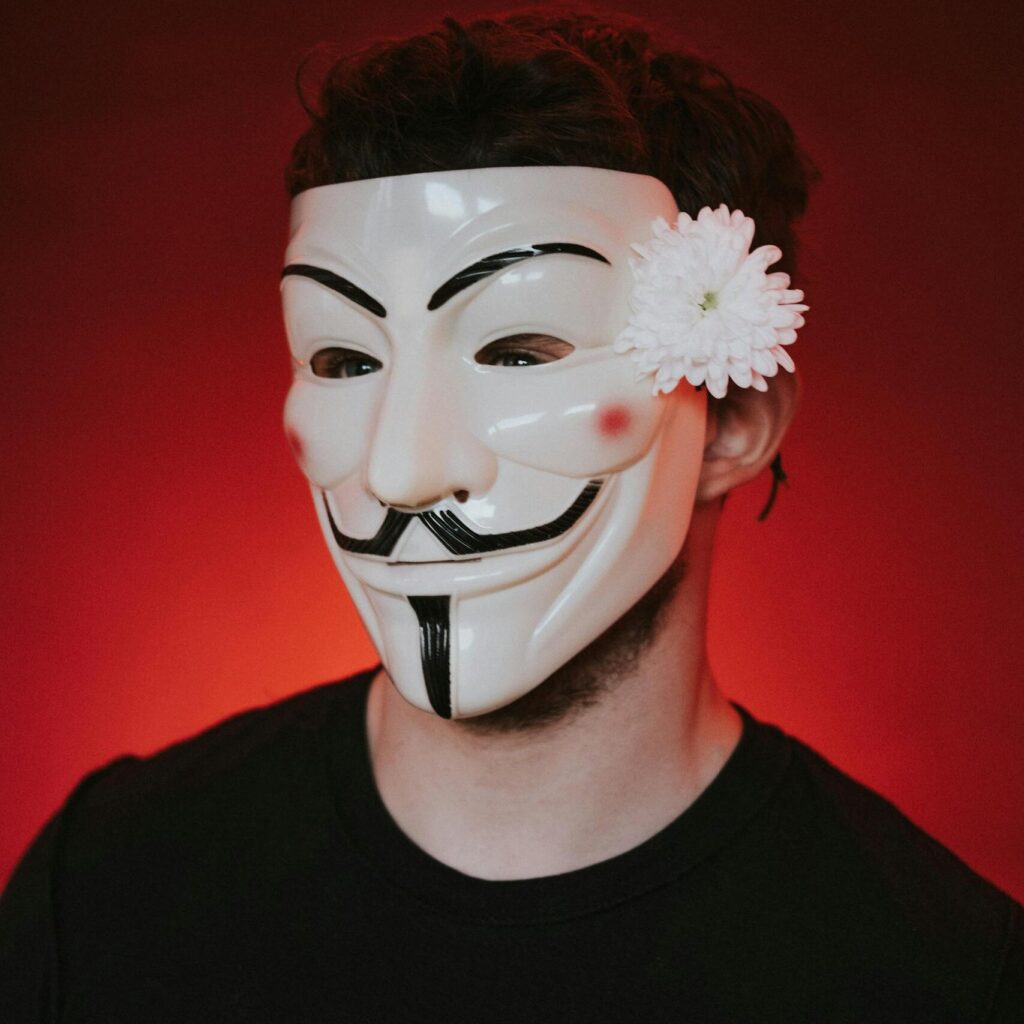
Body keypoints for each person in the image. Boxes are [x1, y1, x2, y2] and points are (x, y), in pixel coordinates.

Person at [1, 10, 1020, 1022]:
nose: (404, 470)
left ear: (734, 422)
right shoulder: (104, 883)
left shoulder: (944, 978)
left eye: (521, 351)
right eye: (345, 360)